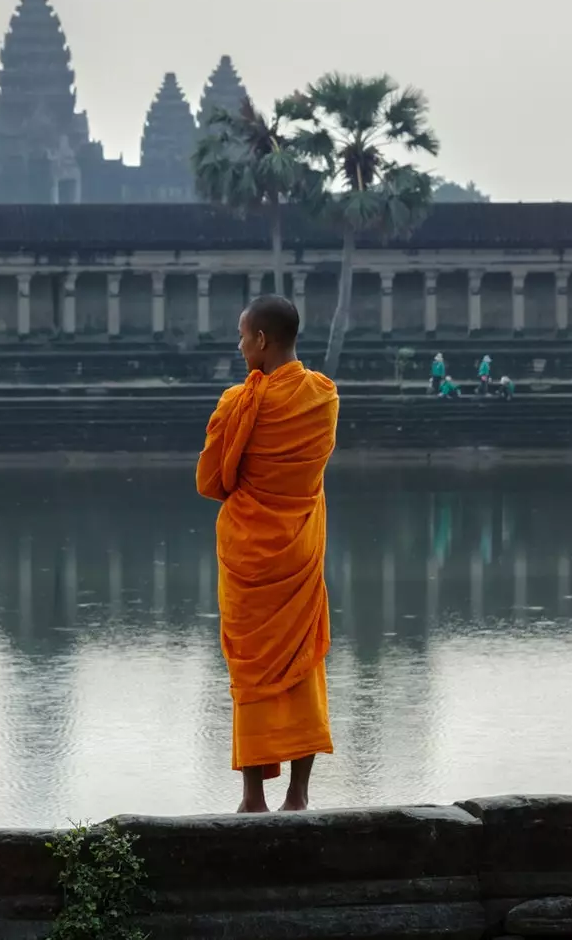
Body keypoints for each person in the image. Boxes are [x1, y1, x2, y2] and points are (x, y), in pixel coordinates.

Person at [196, 295, 338, 814]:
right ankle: (299, 794)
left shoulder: (238, 404)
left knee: (251, 669)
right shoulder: (324, 396)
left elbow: (212, 481)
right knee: (303, 664)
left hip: (250, 557)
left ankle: (253, 795)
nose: (238, 346)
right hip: (298, 550)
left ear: (261, 341)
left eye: (241, 336)